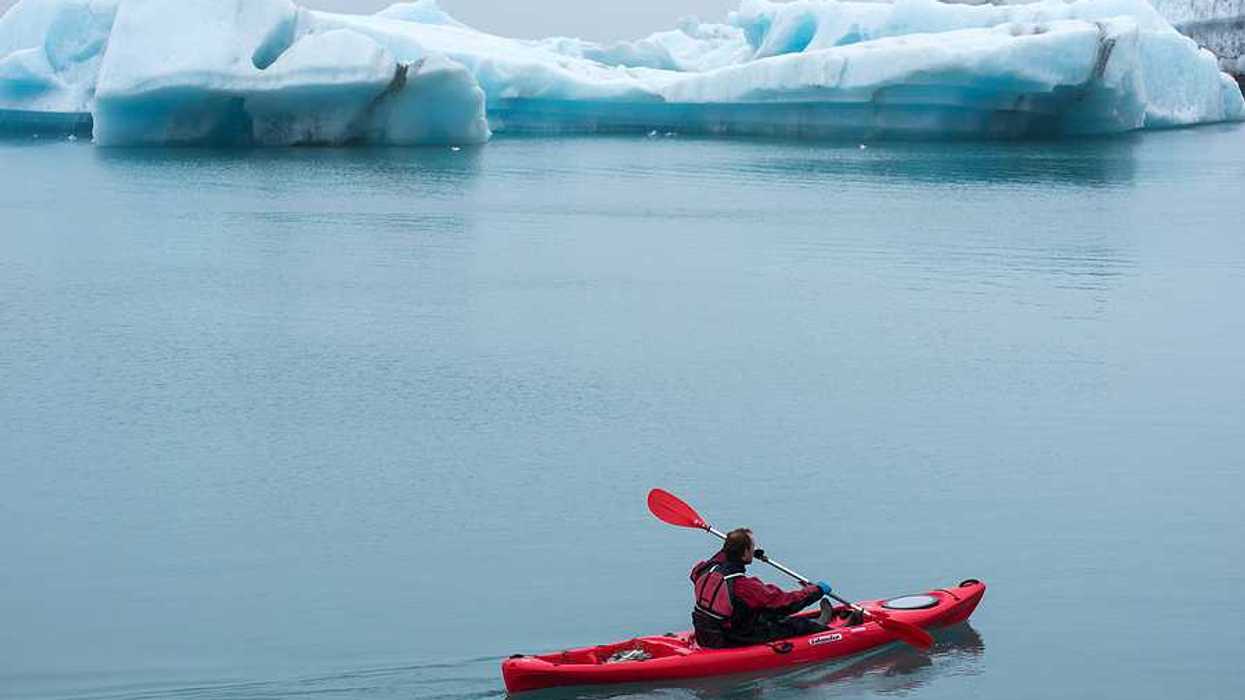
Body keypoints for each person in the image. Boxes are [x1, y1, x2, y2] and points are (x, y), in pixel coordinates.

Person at [690, 528, 835, 648]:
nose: (754, 550)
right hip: (734, 637)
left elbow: (720, 557)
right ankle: (829, 630)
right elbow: (786, 603)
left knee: (766, 612)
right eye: (752, 547)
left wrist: (738, 547)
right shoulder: (744, 586)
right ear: (745, 552)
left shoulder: (703, 569)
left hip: (706, 632)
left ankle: (818, 622)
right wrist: (816, 590)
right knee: (796, 624)